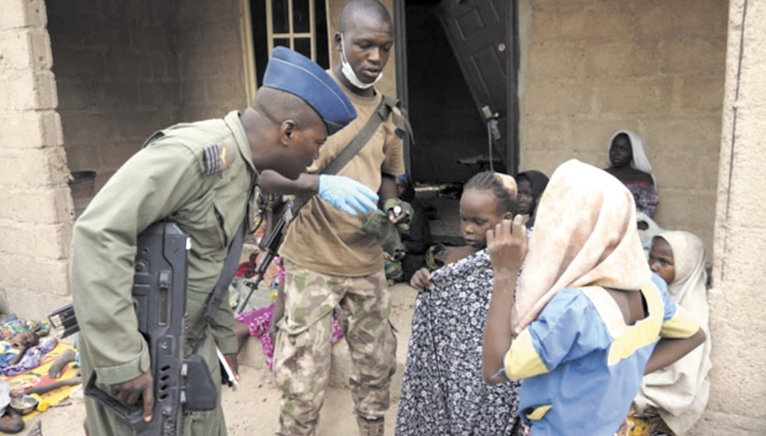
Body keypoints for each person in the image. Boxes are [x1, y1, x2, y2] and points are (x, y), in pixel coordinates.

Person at [70, 47, 373, 436]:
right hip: (138, 353)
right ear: (288, 131)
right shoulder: (195, 156)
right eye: (315, 144)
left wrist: (223, 337)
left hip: (185, 344)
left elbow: (210, 264)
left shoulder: (242, 170)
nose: (315, 158)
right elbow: (99, 234)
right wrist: (121, 360)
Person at [261, 1, 406, 434]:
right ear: (340, 42)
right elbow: (265, 173)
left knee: (376, 374)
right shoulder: (305, 102)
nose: (375, 58)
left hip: (366, 265)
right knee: (302, 385)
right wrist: (317, 185)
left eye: (384, 47)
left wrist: (393, 207)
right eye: (364, 46)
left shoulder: (388, 115)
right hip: (311, 264)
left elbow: (389, 175)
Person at [482, 160, 706, 436]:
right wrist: (624, 374)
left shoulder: (575, 310)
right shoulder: (652, 289)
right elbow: (694, 335)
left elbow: (495, 371)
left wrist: (504, 274)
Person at [396, 171, 523, 436]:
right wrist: (424, 281)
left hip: (501, 368)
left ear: (505, 219)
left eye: (479, 222)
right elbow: (443, 297)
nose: (467, 228)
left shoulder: (520, 260)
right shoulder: (456, 258)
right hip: (460, 374)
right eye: (464, 218)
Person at [632, 231, 712, 435]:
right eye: (652, 258)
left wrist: (626, 378)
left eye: (664, 262)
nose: (653, 266)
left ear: (686, 267)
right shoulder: (650, 294)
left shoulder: (692, 310)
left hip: (651, 400)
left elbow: (681, 379)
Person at [604, 130, 660, 218]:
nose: (616, 153)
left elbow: (647, 212)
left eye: (623, 149)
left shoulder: (642, 179)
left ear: (632, 153)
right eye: (614, 148)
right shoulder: (600, 175)